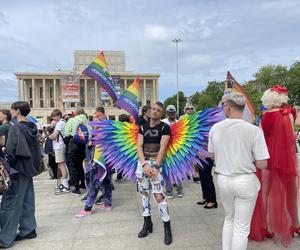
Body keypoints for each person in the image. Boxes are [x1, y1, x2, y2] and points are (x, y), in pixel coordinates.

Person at [208, 92, 269, 250]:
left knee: (229, 219)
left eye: (223, 106)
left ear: (228, 106)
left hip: (223, 179)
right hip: (245, 180)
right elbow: (262, 164)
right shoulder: (254, 130)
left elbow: (212, 155)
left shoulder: (215, 128)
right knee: (241, 228)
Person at [250, 86, 300, 246]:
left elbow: (260, 135)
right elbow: (291, 138)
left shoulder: (265, 116)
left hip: (267, 157)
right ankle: (295, 225)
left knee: (264, 192)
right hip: (285, 158)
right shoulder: (288, 114)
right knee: (291, 193)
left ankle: (263, 226)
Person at [0, 101, 42, 248]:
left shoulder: (16, 128)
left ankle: (4, 238)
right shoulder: (33, 127)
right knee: (27, 199)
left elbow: (11, 151)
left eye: (12, 110)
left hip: (17, 168)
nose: (11, 112)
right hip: (29, 168)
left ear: (17, 111)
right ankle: (28, 229)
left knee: (10, 203)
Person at [136, 102, 172, 245]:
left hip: (156, 165)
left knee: (158, 196)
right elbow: (139, 146)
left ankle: (167, 227)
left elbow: (163, 148)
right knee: (144, 194)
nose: (155, 112)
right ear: (149, 111)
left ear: (161, 113)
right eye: (153, 109)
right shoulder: (142, 127)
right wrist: (144, 164)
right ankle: (147, 223)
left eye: (158, 110)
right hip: (142, 165)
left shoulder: (165, 127)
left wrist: (156, 166)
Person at [161, 105, 183, 198]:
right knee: (167, 171)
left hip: (177, 151)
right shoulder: (162, 123)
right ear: (167, 113)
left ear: (175, 113)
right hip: (165, 151)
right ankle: (169, 191)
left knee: (177, 170)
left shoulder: (179, 123)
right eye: (169, 113)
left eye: (173, 113)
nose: (171, 115)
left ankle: (179, 191)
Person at [65, 106, 88, 196]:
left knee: (73, 166)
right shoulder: (86, 120)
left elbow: (67, 133)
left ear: (76, 112)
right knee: (80, 164)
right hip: (82, 145)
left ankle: (76, 188)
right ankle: (83, 183)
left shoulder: (72, 120)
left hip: (73, 144)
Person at [49, 109, 70, 194]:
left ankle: (66, 185)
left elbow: (54, 136)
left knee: (61, 165)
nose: (53, 119)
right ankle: (64, 183)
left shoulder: (59, 123)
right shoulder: (64, 122)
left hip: (59, 146)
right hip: (62, 145)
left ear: (58, 115)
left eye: (54, 117)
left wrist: (49, 136)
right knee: (61, 165)